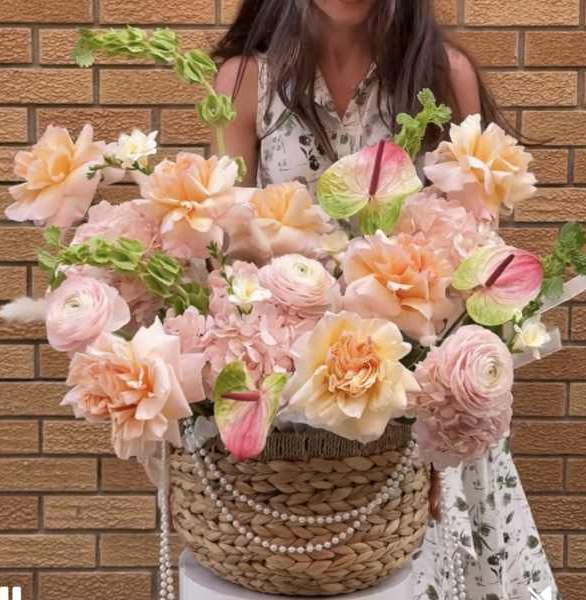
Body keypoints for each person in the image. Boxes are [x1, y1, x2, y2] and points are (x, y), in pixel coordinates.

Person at [212, 1, 560, 599]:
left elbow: (477, 253)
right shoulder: (246, 81)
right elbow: (223, 253)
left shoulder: (443, 75)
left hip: (421, 396)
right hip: (294, 409)